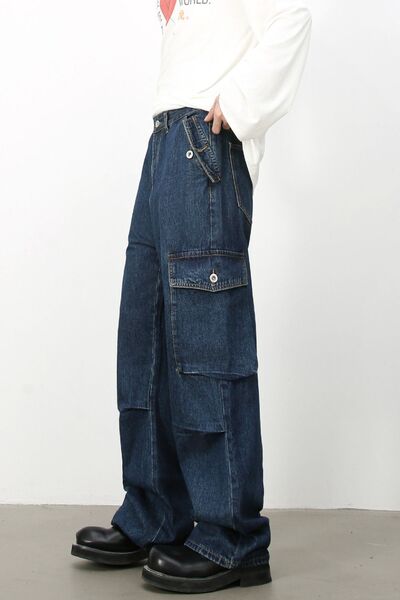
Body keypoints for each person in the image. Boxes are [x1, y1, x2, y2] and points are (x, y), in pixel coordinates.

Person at [71, 0, 312, 593]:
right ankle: (155, 515)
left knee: (208, 345)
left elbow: (292, 15)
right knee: (145, 341)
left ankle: (233, 538)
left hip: (203, 142)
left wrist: (239, 105)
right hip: (163, 145)